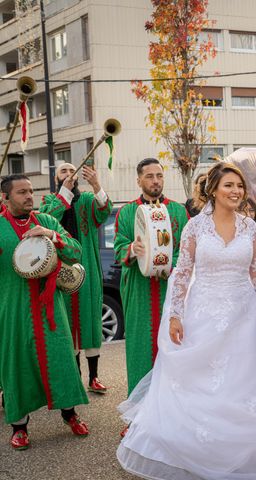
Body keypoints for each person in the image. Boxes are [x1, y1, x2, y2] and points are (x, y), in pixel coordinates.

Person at [117, 162, 256, 479]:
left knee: (244, 383)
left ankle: (243, 452)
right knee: (203, 384)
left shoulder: (249, 227)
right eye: (229, 186)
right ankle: (200, 451)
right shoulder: (195, 227)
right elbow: (182, 272)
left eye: (239, 186)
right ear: (213, 190)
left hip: (244, 316)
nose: (236, 191)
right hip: (203, 313)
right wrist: (175, 315)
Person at [0, 174, 89, 450]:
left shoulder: (47, 221)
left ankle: (70, 414)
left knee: (60, 358)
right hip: (13, 308)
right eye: (21, 193)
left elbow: (76, 252)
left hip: (51, 308)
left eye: (30, 191)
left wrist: (52, 236)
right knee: (18, 366)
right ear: (6, 197)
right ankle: (19, 427)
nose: (29, 196)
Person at [114, 158, 189, 395]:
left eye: (159, 175)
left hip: (171, 288)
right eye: (149, 176)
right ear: (139, 180)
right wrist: (131, 250)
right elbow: (118, 249)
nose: (155, 181)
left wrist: (170, 264)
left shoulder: (178, 210)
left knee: (174, 346)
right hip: (139, 289)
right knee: (140, 348)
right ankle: (137, 412)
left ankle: (173, 408)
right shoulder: (127, 212)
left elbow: (186, 250)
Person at [39, 162, 113, 394]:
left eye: (72, 171)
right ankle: (75, 377)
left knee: (90, 322)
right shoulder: (50, 201)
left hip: (87, 268)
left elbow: (105, 211)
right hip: (58, 270)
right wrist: (65, 193)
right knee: (67, 324)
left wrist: (96, 183)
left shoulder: (87, 200)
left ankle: (94, 377)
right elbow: (47, 218)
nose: (69, 174)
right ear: (56, 179)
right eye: (63, 171)